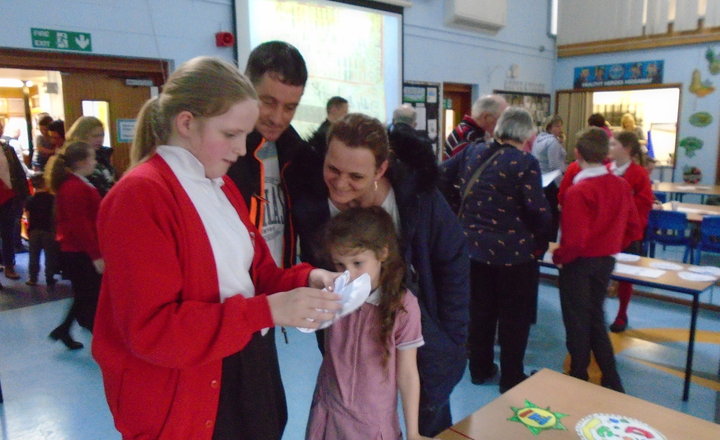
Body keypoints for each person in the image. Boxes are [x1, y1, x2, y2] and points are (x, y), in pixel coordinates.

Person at [92, 56, 342, 440]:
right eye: (230, 134)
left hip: (244, 363)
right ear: (186, 123)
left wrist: (307, 276)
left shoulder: (221, 186)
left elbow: (257, 271)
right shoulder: (141, 195)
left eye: (245, 134)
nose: (242, 149)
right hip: (186, 388)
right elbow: (152, 332)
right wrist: (268, 310)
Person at [291, 113, 469, 437]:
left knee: (429, 410)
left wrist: (453, 337)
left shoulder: (416, 196)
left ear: (381, 170)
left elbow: (453, 261)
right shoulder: (312, 204)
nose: (341, 184)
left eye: (356, 176)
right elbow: (310, 263)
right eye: (333, 169)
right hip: (346, 342)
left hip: (418, 328)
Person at [439, 107, 551, 393]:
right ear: (527, 134)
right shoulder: (525, 162)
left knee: (480, 311)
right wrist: (539, 233)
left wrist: (459, 212)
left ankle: (480, 368)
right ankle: (511, 378)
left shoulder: (472, 152)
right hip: (512, 255)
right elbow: (537, 210)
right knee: (514, 317)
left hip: (472, 250)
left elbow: (440, 176)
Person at [306, 206, 431, 440]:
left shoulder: (403, 306)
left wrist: (414, 432)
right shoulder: (333, 292)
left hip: (373, 423)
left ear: (382, 253)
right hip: (329, 413)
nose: (348, 274)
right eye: (340, 265)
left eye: (358, 263)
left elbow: (407, 373)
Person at [552, 128, 642, 392]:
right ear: (606, 154)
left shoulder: (579, 191)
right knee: (595, 318)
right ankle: (611, 378)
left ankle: (578, 374)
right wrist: (611, 244)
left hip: (579, 264)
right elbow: (634, 229)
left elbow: (575, 241)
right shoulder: (621, 185)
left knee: (576, 321)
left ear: (577, 153)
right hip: (605, 261)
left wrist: (560, 256)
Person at [226, 40, 309, 268]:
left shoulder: (296, 154)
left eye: (290, 107)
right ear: (246, 86)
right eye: (268, 102)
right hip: (237, 295)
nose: (277, 118)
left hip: (281, 289)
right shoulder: (222, 157)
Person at [46, 141, 102, 350]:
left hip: (79, 251)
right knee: (91, 295)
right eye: (92, 158)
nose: (95, 162)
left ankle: (64, 329)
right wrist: (96, 255)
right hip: (79, 252)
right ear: (81, 162)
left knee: (84, 294)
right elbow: (81, 226)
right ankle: (98, 335)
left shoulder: (76, 184)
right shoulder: (74, 188)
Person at [607, 131, 653, 332]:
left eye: (613, 144)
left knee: (625, 275)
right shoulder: (606, 169)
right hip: (605, 232)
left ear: (625, 149)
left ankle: (622, 313)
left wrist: (622, 201)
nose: (609, 148)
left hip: (627, 233)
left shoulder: (638, 173)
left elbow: (644, 203)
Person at [0, 119, 30, 280]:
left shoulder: (7, 149)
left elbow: (18, 172)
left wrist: (24, 195)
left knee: (8, 233)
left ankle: (9, 266)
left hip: (8, 197)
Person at [532, 114, 566, 241]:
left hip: (540, 180)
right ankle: (550, 241)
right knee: (553, 215)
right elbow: (555, 166)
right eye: (557, 126)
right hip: (552, 182)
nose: (560, 129)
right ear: (550, 127)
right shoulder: (552, 142)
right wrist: (561, 185)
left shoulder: (539, 139)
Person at [444, 94, 508, 159]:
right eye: (501, 119)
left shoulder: (468, 130)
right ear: (486, 117)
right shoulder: (469, 137)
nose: (504, 124)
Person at [24, 173, 59, 288]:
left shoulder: (30, 200)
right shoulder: (52, 199)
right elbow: (54, 215)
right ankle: (49, 277)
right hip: (48, 230)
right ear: (46, 184)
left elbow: (28, 216)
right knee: (50, 255)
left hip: (34, 230)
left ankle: (33, 278)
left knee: (33, 255)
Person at [66, 116, 116, 196]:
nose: (100, 139)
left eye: (102, 135)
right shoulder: (74, 158)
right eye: (95, 136)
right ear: (81, 136)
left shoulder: (103, 156)